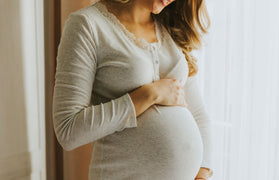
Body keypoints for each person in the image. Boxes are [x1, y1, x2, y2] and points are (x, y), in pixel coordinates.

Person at [52, 0, 214, 179]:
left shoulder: (170, 26)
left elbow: (198, 113)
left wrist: (202, 173)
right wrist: (149, 95)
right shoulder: (87, 25)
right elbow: (68, 130)